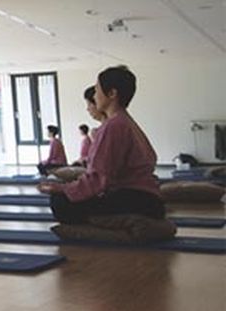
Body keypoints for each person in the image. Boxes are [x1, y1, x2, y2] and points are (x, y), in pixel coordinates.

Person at [39, 66, 165, 224]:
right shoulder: (126, 121)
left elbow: (99, 179)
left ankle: (115, 222)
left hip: (138, 201)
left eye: (97, 89)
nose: (95, 95)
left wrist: (63, 189)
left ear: (112, 94)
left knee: (60, 202)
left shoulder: (114, 125)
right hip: (149, 199)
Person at [71, 86, 106, 167]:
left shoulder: (106, 129)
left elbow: (99, 164)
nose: (87, 108)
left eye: (89, 104)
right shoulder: (97, 131)